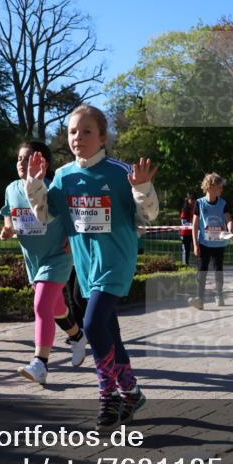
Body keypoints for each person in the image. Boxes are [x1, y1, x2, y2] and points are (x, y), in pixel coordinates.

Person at [25, 104, 159, 430]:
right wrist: (35, 185)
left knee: (92, 323)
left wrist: (142, 188)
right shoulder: (65, 176)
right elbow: (45, 215)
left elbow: (148, 215)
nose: (78, 137)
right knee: (108, 331)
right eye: (73, 131)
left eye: (86, 131)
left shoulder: (119, 172)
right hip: (86, 268)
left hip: (116, 262)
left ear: (102, 137)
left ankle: (107, 394)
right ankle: (131, 392)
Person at [1, 141, 88, 385]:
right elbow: (8, 213)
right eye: (19, 158)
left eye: (28, 158)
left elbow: (77, 214)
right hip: (33, 260)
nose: (22, 162)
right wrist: (8, 228)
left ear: (43, 163)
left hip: (58, 256)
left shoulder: (54, 187)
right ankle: (77, 336)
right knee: (55, 306)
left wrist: (74, 237)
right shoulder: (11, 188)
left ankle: (40, 363)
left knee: (41, 305)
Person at [187, 173, 233, 310]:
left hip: (219, 243)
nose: (221, 189)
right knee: (202, 271)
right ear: (210, 187)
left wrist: (230, 229)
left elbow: (229, 220)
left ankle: (219, 294)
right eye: (219, 187)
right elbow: (195, 225)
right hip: (204, 244)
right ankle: (200, 299)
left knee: (218, 269)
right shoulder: (199, 203)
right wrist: (195, 244)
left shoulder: (223, 203)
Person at [179, 193, 196, 266]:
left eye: (194, 199)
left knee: (192, 249)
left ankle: (192, 264)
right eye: (191, 199)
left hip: (192, 233)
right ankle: (185, 265)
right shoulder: (184, 209)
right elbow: (183, 222)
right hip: (185, 233)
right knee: (185, 250)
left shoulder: (195, 209)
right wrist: (192, 224)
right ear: (188, 200)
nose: (193, 201)